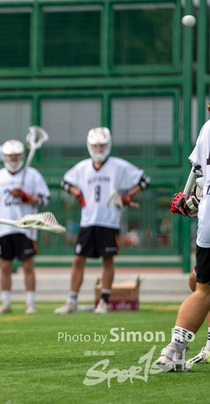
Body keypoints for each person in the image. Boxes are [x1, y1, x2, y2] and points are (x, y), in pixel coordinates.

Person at [54, 127, 149, 315]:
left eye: (102, 145)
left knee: (107, 259)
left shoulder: (118, 166)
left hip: (109, 220)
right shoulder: (82, 167)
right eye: (96, 146)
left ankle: (104, 301)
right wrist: (77, 193)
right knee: (78, 259)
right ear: (90, 146)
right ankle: (72, 300)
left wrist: (127, 197)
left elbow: (144, 180)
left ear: (108, 145)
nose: (98, 149)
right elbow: (65, 182)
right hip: (88, 220)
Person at [156, 114, 210, 372]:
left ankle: (174, 350)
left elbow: (199, 177)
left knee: (203, 289)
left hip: (208, 221)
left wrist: (192, 200)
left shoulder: (207, 128)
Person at [0, 139, 51, 315]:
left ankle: (30, 303)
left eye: (16, 155)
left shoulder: (32, 175)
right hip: (3, 227)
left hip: (25, 227)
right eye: (10, 156)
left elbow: (44, 200)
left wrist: (27, 197)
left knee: (28, 266)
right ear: (5, 157)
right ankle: (5, 302)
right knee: (5, 266)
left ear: (21, 156)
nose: (13, 158)